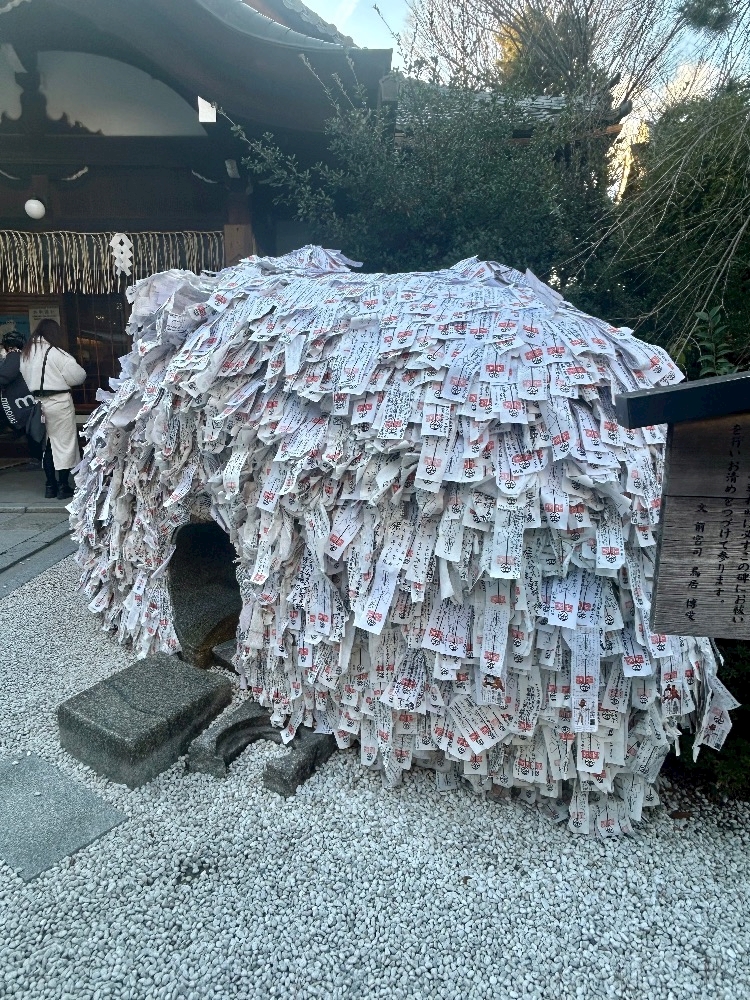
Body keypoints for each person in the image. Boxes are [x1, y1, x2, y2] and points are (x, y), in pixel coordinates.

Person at [20, 319, 86, 499]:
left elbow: (25, 378)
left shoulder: (27, 353)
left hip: (38, 405)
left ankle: (50, 486)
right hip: (59, 403)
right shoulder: (56, 353)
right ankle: (63, 486)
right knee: (64, 445)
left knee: (47, 446)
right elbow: (78, 376)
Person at [0, 330, 36, 432]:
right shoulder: (26, 356)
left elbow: (4, 377)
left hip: (17, 406)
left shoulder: (14, 355)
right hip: (27, 403)